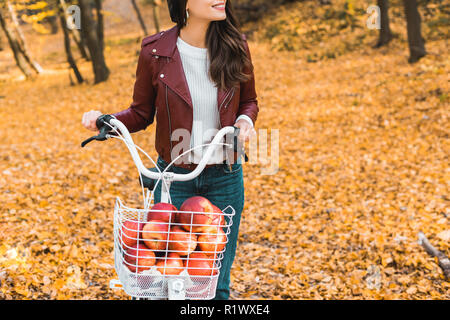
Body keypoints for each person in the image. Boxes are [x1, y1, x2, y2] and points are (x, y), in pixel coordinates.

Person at [81, 0, 259, 300]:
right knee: (168, 282)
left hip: (226, 178)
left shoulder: (235, 45)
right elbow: (140, 113)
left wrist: (244, 121)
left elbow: (249, 100)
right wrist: (106, 120)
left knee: (213, 284)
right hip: (173, 179)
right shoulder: (155, 51)